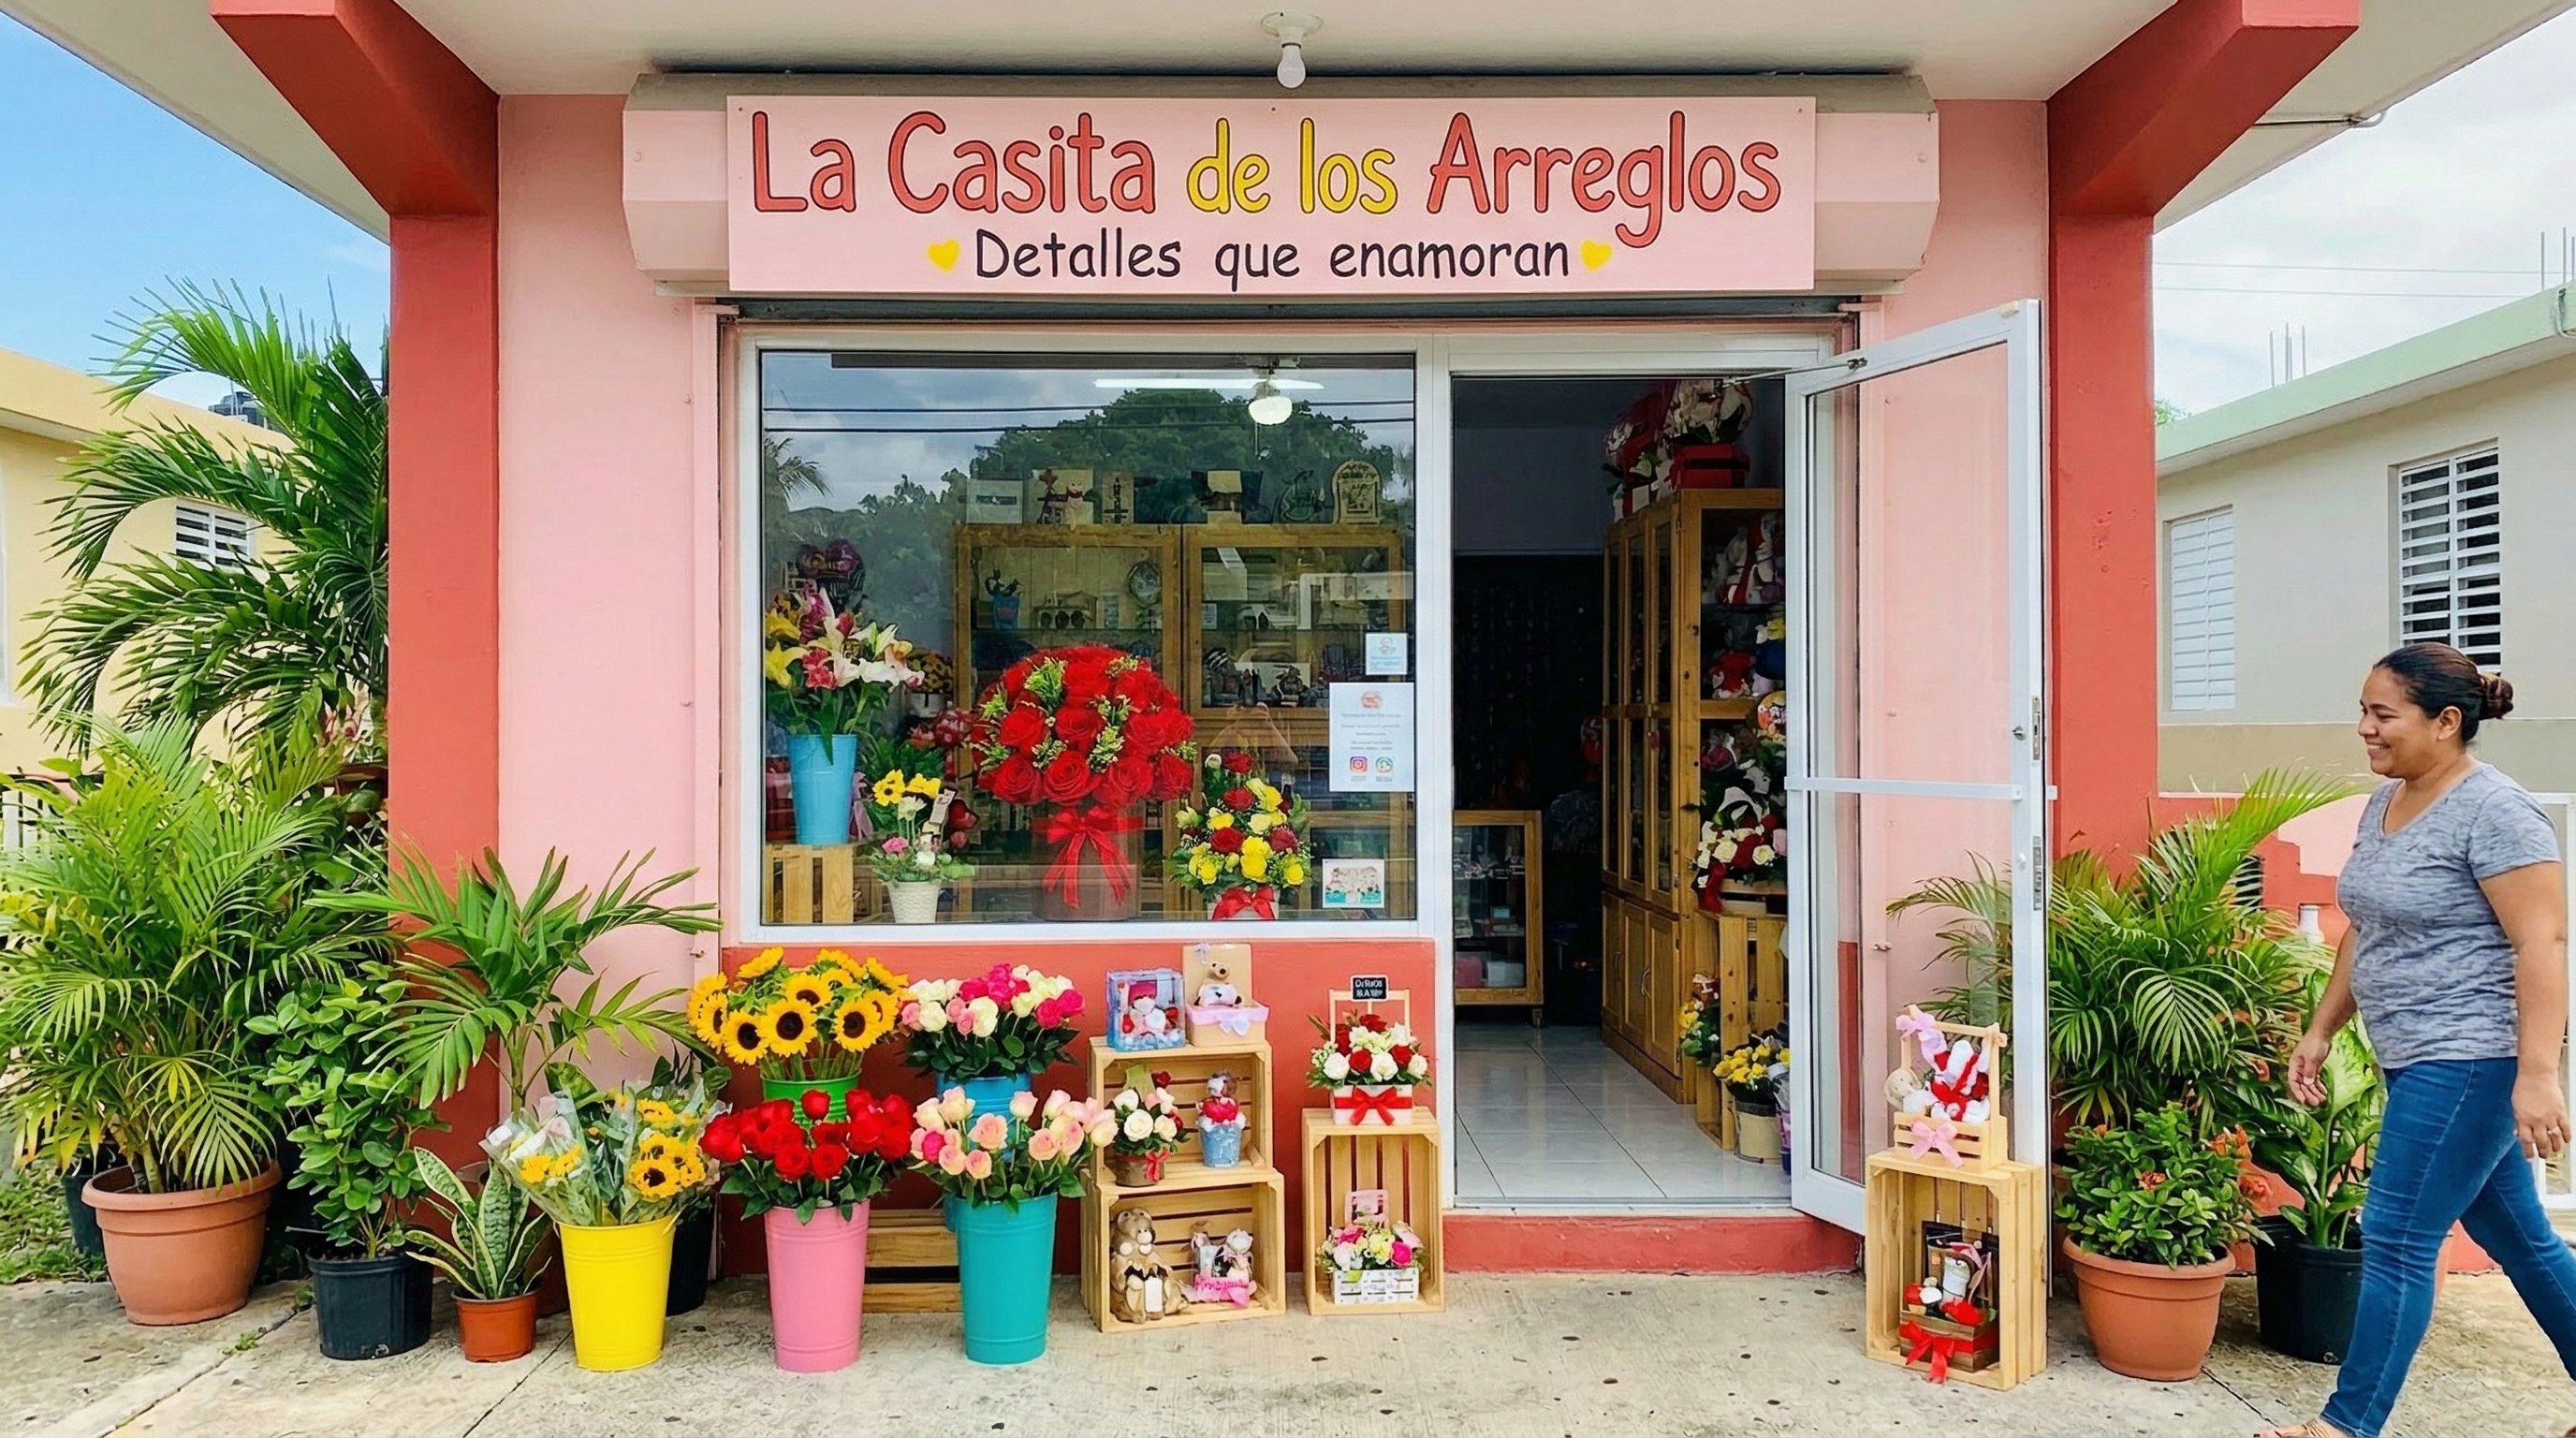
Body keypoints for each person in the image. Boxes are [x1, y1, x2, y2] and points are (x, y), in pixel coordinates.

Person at [2261, 642, 2574, 1438]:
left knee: (2397, 1236)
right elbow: (2365, 925)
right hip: (2418, 1056)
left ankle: (2345, 1425)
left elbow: (2543, 944)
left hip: (2469, 1057)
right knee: (2526, 1244)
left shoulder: (2498, 811)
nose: (2364, 728)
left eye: (2382, 714)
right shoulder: (2389, 800)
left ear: (2445, 721)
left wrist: (2538, 1074)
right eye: (2362, 711)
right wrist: (2322, 1028)